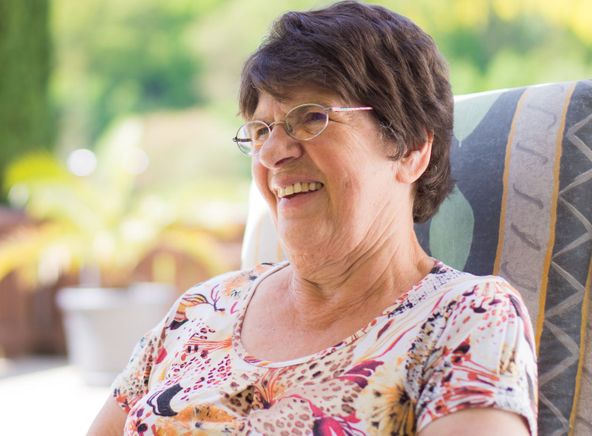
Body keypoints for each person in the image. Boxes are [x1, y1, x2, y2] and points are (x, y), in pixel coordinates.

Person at [89, 2, 538, 434]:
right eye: (261, 129)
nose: (273, 152)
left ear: (411, 150)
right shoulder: (200, 309)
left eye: (311, 118)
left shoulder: (466, 319)